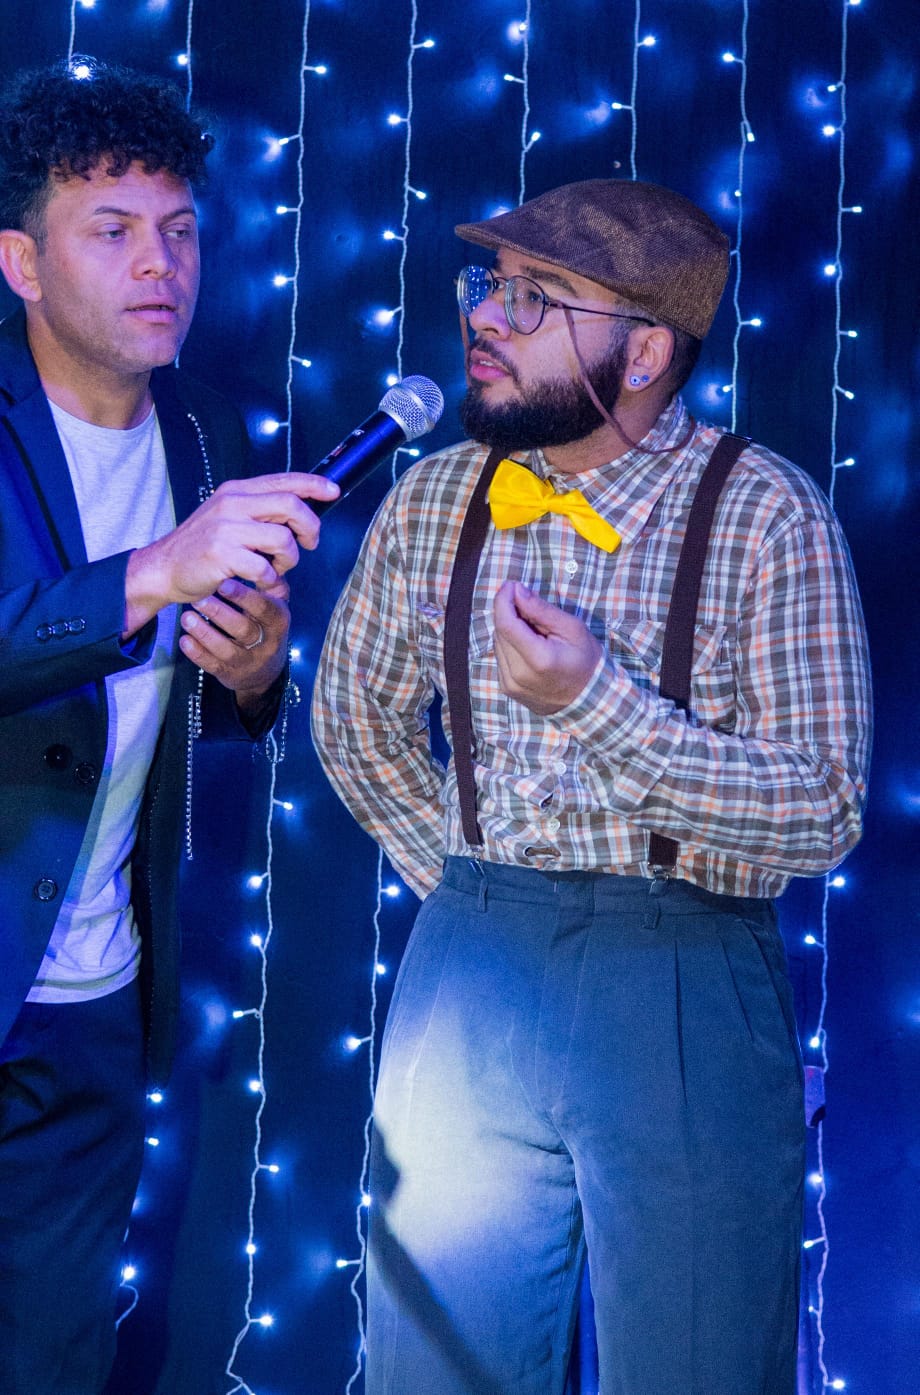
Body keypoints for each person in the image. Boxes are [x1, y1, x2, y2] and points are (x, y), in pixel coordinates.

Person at [312, 177, 872, 1394]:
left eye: (539, 298)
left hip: (683, 974)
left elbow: (820, 805)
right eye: (490, 287)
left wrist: (596, 705)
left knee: (696, 1361)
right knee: (432, 1364)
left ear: (645, 351)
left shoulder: (765, 512)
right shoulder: (435, 497)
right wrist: (471, 887)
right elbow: (353, 721)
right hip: (469, 970)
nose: (487, 317)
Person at [0, 57, 338, 1394]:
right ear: (21, 263)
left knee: (53, 1361)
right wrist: (149, 573)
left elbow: (193, 704)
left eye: (181, 229)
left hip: (92, 1000)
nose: (161, 263)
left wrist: (252, 672)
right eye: (113, 229)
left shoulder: (203, 433)